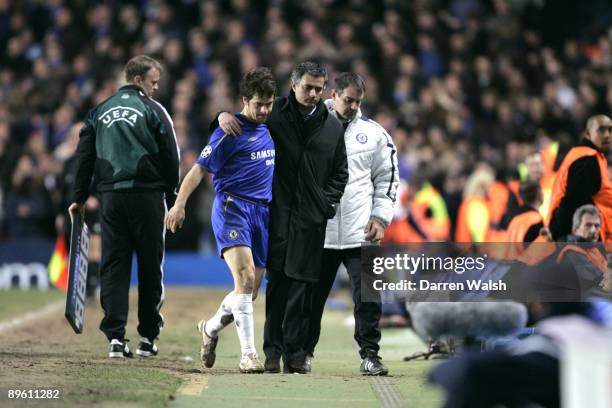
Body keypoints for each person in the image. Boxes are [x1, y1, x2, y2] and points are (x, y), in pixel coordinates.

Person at [215, 61, 348, 374]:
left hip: (310, 220)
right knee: (277, 286)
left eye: (318, 89)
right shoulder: (272, 113)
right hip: (275, 215)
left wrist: (325, 205)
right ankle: (272, 352)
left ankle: (297, 354)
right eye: (308, 87)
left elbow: (340, 172)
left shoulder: (332, 126)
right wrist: (220, 116)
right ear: (294, 85)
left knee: (304, 288)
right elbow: (239, 122)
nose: (313, 94)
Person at [165, 67, 277, 373]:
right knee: (246, 279)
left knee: (249, 292)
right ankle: (248, 356)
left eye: (269, 104)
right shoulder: (227, 132)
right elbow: (199, 168)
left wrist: (222, 111)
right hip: (233, 208)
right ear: (245, 100)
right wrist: (179, 204)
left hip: (262, 214)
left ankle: (210, 329)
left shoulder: (270, 127)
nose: (265, 110)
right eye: (259, 104)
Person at [69, 55, 180, 358]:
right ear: (137, 80)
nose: (156, 88)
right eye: (153, 82)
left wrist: (78, 197)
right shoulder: (154, 110)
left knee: (114, 266)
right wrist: (174, 199)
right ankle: (148, 338)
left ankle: (115, 339)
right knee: (149, 266)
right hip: (147, 198)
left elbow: (84, 158)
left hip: (111, 199)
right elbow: (172, 156)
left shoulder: (98, 112)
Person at [303, 72, 398, 375]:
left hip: (362, 230)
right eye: (348, 100)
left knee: (368, 296)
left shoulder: (375, 134)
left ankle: (370, 354)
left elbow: (387, 180)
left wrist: (381, 218)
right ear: (333, 95)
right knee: (311, 298)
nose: (354, 106)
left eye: (358, 102)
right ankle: (302, 353)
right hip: (323, 230)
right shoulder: (310, 127)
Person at [548, 115, 612, 241]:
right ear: (588, 134)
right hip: (577, 237)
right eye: (601, 130)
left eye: (610, 130)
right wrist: (558, 234)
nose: (607, 135)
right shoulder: (587, 161)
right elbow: (573, 201)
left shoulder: (587, 156)